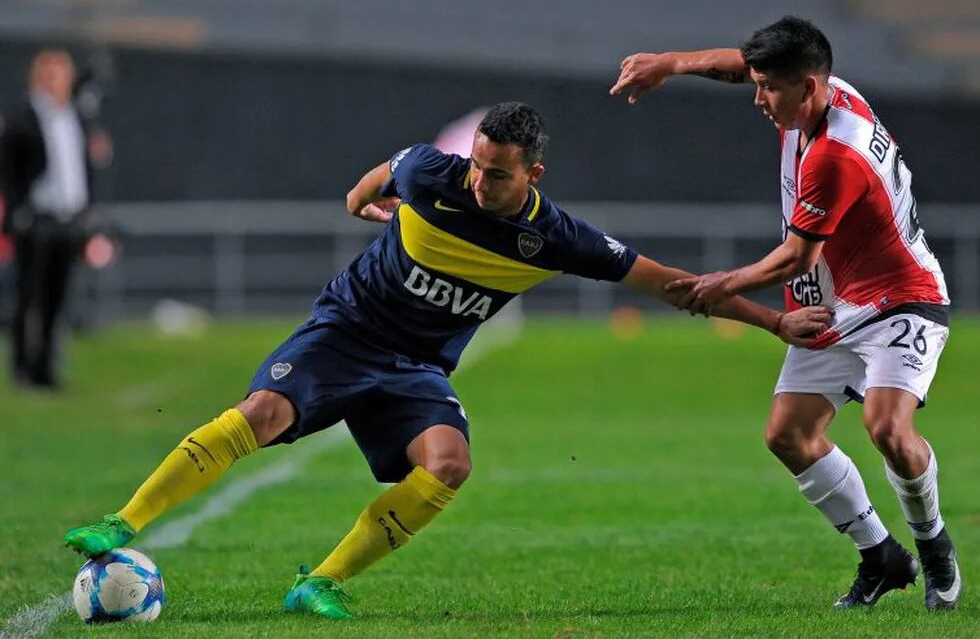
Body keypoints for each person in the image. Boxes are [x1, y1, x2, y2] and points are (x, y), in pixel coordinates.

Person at [64, 102, 829, 619]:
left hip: (415, 367)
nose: (478, 179)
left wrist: (771, 322)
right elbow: (373, 181)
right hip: (345, 330)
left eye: (497, 172)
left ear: (534, 175)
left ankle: (320, 584)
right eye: (476, 164)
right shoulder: (432, 172)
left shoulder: (559, 238)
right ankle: (120, 521)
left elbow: (675, 287)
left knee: (450, 464)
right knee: (262, 414)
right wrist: (365, 204)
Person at [610, 17, 959, 611]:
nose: (759, 98)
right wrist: (672, 60)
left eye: (771, 87)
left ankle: (935, 551)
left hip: (901, 294)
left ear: (810, 86)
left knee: (887, 428)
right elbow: (737, 63)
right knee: (788, 436)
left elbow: (794, 256)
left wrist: (724, 283)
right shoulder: (819, 93)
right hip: (831, 299)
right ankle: (880, 556)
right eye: (759, 82)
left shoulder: (834, 154)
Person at [0, 48, 111, 389]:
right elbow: (9, 167)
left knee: (56, 297)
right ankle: (23, 368)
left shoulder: (75, 116)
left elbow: (83, 166)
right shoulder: (24, 116)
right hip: (36, 218)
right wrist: (17, 209)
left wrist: (87, 209)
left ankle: (46, 368)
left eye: (60, 73)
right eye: (48, 73)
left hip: (69, 218)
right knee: (28, 295)